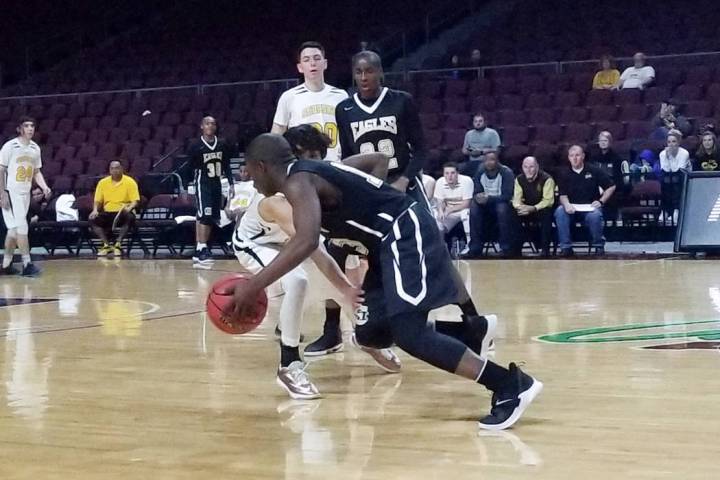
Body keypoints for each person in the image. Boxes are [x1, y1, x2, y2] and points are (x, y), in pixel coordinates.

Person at [234, 133, 542, 431]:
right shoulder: (308, 172)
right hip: (383, 244)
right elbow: (371, 169)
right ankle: (470, 331)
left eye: (251, 171)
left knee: (410, 332)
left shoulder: (297, 181)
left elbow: (306, 241)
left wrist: (253, 285)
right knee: (371, 332)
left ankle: (509, 384)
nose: (252, 180)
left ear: (261, 166)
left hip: (403, 232)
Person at [335, 50, 485, 355]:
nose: (364, 77)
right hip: (372, 190)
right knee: (377, 255)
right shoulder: (344, 109)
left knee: (434, 250)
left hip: (404, 184)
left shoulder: (401, 101)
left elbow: (422, 150)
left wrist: (404, 179)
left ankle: (471, 315)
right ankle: (391, 323)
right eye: (359, 72)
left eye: (370, 71)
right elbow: (350, 157)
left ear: (380, 73)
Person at [232, 160, 400, 400]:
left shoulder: (315, 179)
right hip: (255, 243)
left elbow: (377, 159)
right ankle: (289, 363)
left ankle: (365, 338)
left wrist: (345, 288)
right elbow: (313, 248)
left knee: (339, 285)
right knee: (298, 280)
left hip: (288, 242)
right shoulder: (278, 202)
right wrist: (345, 287)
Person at [271, 41, 349, 162]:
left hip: (336, 164)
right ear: (300, 67)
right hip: (304, 168)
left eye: (317, 58)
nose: (312, 63)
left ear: (325, 63)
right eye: (306, 60)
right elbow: (276, 137)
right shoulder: (289, 97)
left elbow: (348, 134)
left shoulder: (341, 95)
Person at [0, 116, 51, 276]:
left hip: (25, 192)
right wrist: (2, 193)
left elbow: (36, 171)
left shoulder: (35, 148)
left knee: (13, 231)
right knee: (22, 227)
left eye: (32, 126)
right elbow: (1, 171)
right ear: (19, 129)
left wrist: (44, 186)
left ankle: (6, 265)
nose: (30, 128)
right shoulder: (10, 146)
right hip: (10, 191)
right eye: (26, 126)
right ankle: (27, 263)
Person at [187, 116, 234, 266]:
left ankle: (201, 248)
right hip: (203, 183)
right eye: (207, 123)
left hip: (217, 183)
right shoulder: (195, 145)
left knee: (211, 216)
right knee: (204, 215)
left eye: (213, 123)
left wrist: (231, 183)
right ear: (201, 126)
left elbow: (226, 165)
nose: (210, 126)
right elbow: (190, 166)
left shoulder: (222, 144)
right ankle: (202, 247)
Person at [554, 145, 616, 256]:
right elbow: (562, 195)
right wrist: (567, 205)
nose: (575, 158)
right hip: (572, 209)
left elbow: (611, 187)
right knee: (560, 211)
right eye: (572, 156)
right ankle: (566, 247)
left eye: (577, 155)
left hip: (590, 208)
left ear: (583, 156)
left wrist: (601, 201)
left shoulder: (593, 170)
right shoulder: (564, 173)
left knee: (595, 215)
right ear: (568, 158)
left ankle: (598, 246)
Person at [464, 152, 517, 258]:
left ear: (497, 161)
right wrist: (478, 197)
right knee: (474, 207)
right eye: (486, 160)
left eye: (492, 159)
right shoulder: (480, 171)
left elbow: (507, 196)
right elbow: (477, 191)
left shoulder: (506, 172)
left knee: (501, 208)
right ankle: (475, 248)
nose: (489, 162)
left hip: (503, 204)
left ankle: (505, 248)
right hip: (486, 204)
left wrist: (489, 199)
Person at [89, 160, 140, 257]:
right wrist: (95, 210)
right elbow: (98, 200)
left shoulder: (130, 182)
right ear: (109, 170)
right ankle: (106, 245)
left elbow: (135, 201)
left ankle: (118, 244)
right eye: (112, 168)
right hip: (108, 212)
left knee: (130, 218)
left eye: (117, 168)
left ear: (121, 169)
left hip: (123, 211)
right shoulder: (102, 182)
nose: (115, 170)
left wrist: (130, 207)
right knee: (93, 219)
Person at [512, 157, 555, 257]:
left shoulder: (547, 179)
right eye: (525, 167)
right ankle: (514, 249)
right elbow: (516, 199)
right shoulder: (519, 179)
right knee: (511, 214)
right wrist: (520, 208)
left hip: (541, 209)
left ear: (537, 167)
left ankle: (545, 250)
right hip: (525, 209)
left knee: (547, 214)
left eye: (531, 167)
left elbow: (548, 201)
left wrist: (533, 208)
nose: (528, 170)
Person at [434, 162, 473, 253]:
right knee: (436, 216)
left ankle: (469, 245)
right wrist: (440, 211)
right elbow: (440, 201)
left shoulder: (467, 181)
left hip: (463, 210)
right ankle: (440, 248)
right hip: (449, 212)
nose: (449, 176)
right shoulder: (440, 182)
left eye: (452, 173)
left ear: (457, 173)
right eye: (447, 173)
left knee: (465, 214)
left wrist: (449, 210)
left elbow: (467, 203)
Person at [658, 130, 691, 223]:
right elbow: (666, 170)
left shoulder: (684, 153)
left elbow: (679, 170)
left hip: (684, 178)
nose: (671, 144)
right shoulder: (662, 154)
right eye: (669, 142)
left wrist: (670, 158)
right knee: (665, 180)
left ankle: (676, 210)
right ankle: (665, 211)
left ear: (679, 142)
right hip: (670, 178)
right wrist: (668, 156)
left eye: (674, 141)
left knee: (675, 181)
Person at [460, 113, 501, 177]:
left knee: (479, 169)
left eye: (480, 121)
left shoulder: (492, 133)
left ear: (485, 122)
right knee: (457, 168)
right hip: (471, 161)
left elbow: (497, 150)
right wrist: (471, 153)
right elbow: (464, 150)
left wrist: (482, 152)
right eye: (475, 121)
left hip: (486, 161)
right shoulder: (469, 134)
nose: (478, 123)